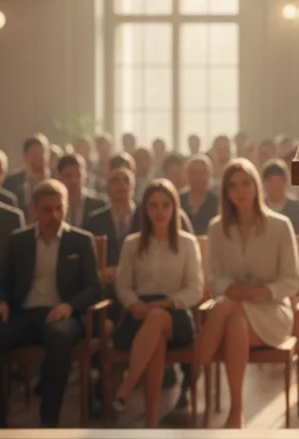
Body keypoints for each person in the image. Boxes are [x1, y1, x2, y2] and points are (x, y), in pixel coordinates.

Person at [0, 180, 101, 428]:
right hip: (23, 314)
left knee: (58, 336)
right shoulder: (18, 240)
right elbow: (2, 281)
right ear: (34, 209)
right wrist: (1, 302)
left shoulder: (81, 240)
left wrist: (69, 306)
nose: (54, 215)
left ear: (66, 207)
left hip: (63, 315)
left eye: (59, 208)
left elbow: (93, 288)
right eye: (47, 209)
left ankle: (48, 419)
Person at [196, 159, 299, 429]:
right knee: (235, 321)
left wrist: (259, 293)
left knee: (225, 308)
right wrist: (235, 292)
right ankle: (236, 411)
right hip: (234, 310)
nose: (240, 190)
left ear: (256, 185)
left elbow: (292, 281)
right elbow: (214, 280)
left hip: (273, 312)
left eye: (245, 183)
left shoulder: (280, 225)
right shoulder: (217, 228)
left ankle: (193, 374)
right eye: (233, 186)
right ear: (226, 192)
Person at [110, 180, 203, 427]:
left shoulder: (187, 243)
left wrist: (167, 302)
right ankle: (151, 422)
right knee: (156, 339)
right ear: (145, 209)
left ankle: (127, 386)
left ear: (174, 208)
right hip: (138, 314)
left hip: (175, 313)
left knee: (158, 317)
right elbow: (122, 286)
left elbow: (195, 289)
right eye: (153, 205)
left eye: (165, 205)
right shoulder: (132, 243)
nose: (159, 211)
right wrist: (133, 305)